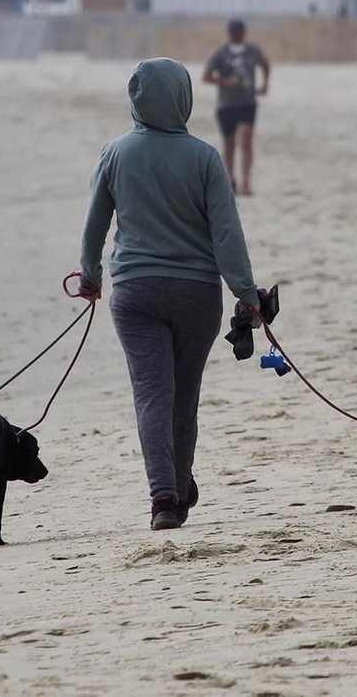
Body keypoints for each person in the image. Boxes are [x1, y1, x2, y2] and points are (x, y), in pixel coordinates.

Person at [79, 58, 261, 531]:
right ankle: (178, 488)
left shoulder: (115, 153)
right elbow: (226, 234)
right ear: (183, 98)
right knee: (183, 397)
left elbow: (94, 225)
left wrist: (90, 276)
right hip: (197, 294)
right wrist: (246, 292)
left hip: (135, 293)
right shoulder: (205, 158)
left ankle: (164, 497)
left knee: (152, 396)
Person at [201, 19, 270, 195]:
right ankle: (230, 180)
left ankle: (246, 181)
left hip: (247, 103)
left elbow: (265, 63)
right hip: (226, 105)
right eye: (234, 32)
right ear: (229, 33)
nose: (237, 35)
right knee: (229, 144)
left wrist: (264, 84)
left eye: (239, 32)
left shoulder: (252, 50)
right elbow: (206, 76)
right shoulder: (220, 52)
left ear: (243, 33)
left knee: (246, 141)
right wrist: (226, 82)